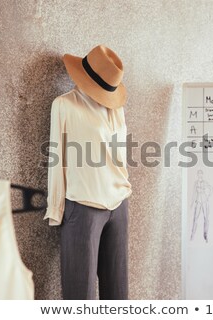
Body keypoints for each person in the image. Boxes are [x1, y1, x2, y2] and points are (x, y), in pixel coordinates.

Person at [44, 45, 132, 300]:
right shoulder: (64, 106)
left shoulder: (116, 108)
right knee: (79, 295)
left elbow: (120, 157)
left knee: (117, 294)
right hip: (83, 206)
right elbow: (56, 158)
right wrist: (56, 208)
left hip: (119, 204)